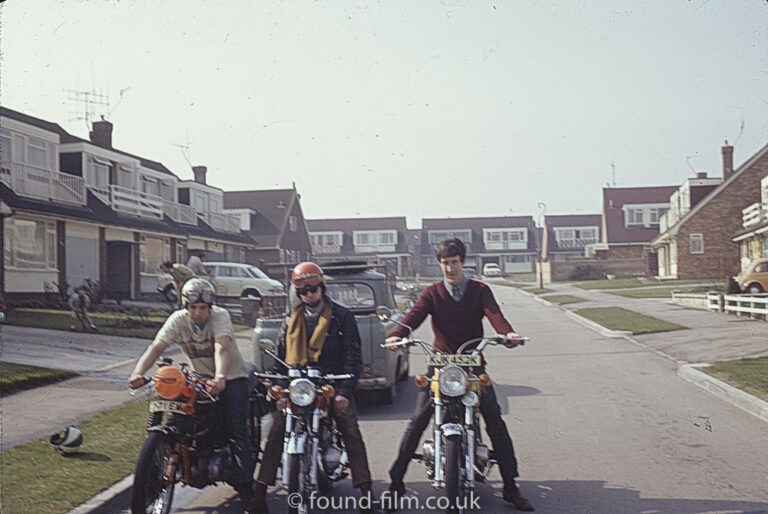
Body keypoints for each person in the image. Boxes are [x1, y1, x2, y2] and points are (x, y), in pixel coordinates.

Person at [385, 237, 534, 512]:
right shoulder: (432, 293)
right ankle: (396, 485)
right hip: (440, 366)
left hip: (472, 366)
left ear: (462, 262)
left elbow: (495, 315)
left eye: (454, 263)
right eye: (445, 263)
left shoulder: (479, 290)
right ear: (439, 264)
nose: (450, 269)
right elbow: (412, 318)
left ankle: (511, 487)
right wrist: (397, 335)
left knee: (494, 418)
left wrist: (507, 334)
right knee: (418, 419)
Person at [251, 262, 380, 514]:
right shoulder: (291, 319)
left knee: (350, 427)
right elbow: (280, 359)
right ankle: (258, 495)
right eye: (302, 289)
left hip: (330, 385)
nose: (308, 293)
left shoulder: (342, 316)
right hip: (298, 387)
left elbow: (353, 359)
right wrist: (277, 388)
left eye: (312, 288)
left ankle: (366, 492)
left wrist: (344, 392)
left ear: (322, 286)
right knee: (277, 428)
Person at [127, 278, 254, 509]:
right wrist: (138, 373)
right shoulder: (178, 320)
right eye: (193, 307)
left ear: (210, 307)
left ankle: (248, 492)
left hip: (232, 377)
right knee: (178, 418)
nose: (197, 313)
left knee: (236, 431)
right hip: (198, 378)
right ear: (185, 306)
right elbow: (157, 346)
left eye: (203, 308)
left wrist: (221, 378)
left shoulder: (220, 317)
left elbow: (221, 348)